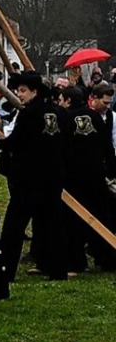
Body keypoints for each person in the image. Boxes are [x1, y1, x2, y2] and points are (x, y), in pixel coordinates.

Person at [0, 71, 68, 282]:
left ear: (34, 91)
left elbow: (17, 141)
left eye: (23, 91)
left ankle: (6, 270)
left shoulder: (29, 114)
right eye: (18, 90)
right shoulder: (57, 113)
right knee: (51, 225)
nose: (19, 95)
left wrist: (0, 143)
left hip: (29, 179)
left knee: (14, 226)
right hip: (53, 177)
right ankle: (57, 269)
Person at [59, 85, 116, 273]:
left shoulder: (65, 119)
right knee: (101, 217)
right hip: (96, 175)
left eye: (61, 100)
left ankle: (76, 262)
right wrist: (112, 170)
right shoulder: (96, 118)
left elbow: (61, 150)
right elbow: (108, 147)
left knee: (72, 221)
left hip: (74, 177)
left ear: (68, 100)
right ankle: (107, 259)